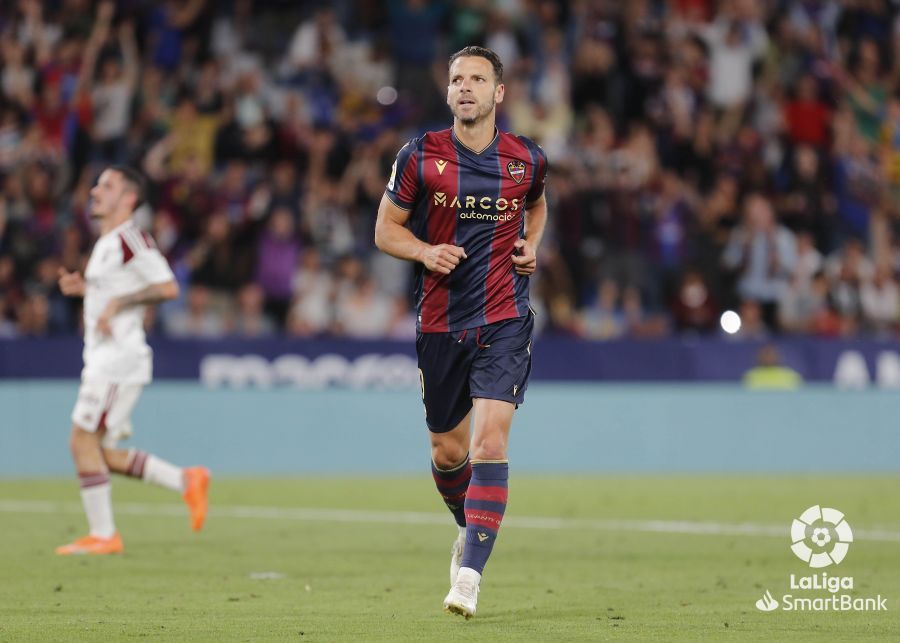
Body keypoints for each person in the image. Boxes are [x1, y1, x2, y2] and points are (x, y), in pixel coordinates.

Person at [374, 46, 548, 618]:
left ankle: (468, 577)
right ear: (447, 93)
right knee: (449, 455)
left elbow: (537, 204)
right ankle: (470, 528)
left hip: (505, 317)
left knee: (490, 442)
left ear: (499, 93)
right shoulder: (420, 155)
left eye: (477, 78)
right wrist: (425, 250)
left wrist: (533, 245)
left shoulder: (526, 159)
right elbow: (385, 230)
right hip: (441, 322)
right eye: (456, 79)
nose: (465, 87)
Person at [55, 165, 210, 555]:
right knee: (100, 452)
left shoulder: (131, 239)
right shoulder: (107, 244)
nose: (94, 190)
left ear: (128, 199)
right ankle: (186, 480)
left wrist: (120, 302)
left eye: (106, 185)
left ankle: (105, 535)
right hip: (105, 357)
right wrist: (85, 288)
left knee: (81, 441)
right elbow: (111, 291)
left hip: (117, 360)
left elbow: (167, 286)